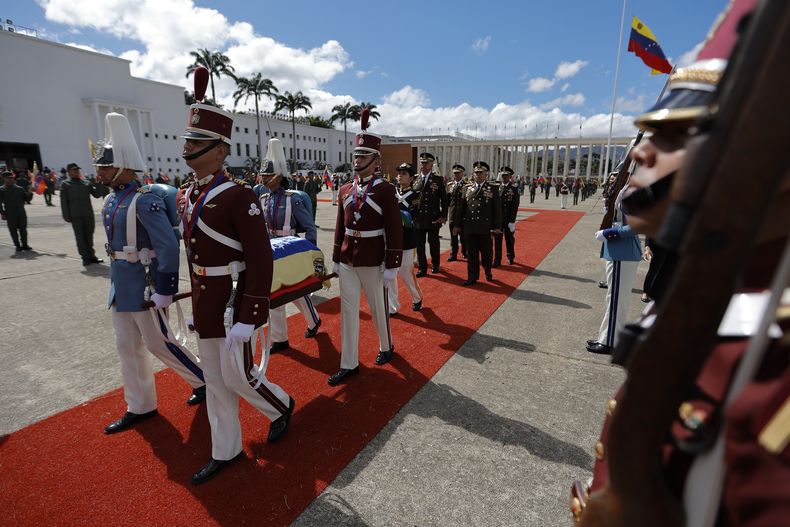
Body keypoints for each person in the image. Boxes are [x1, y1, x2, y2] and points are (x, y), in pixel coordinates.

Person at [179, 87, 295, 484]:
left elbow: (260, 258)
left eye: (196, 142)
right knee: (215, 379)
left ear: (219, 150)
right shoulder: (188, 193)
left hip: (232, 300)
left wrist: (250, 313)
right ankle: (225, 450)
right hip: (205, 300)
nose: (188, 148)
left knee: (237, 376)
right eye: (188, 140)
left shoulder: (239, 195)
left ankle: (281, 405)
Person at [93, 113, 206, 436]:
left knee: (158, 343)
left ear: (124, 166)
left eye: (104, 166)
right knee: (127, 347)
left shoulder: (145, 201)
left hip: (145, 286)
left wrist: (165, 287)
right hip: (122, 286)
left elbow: (168, 246)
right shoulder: (112, 200)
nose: (99, 172)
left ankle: (204, 380)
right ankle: (140, 405)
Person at [329, 109, 402, 386]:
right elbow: (339, 225)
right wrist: (336, 257)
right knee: (348, 312)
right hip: (348, 258)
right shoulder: (345, 189)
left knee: (378, 308)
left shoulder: (385, 190)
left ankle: (386, 345)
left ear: (375, 160)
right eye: (355, 155)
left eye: (363, 156)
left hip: (374, 259)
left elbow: (394, 230)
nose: (357, 160)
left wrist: (392, 266)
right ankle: (349, 363)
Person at [258, 139, 321, 352]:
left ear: (279, 176)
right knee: (275, 293)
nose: (264, 179)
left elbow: (309, 227)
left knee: (299, 291)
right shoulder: (263, 199)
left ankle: (313, 321)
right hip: (271, 252)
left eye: (268, 175)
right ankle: (280, 338)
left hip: (293, 251)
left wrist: (310, 254)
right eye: (263, 175)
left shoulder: (293, 199)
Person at [453, 161, 502, 286]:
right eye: (476, 173)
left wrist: (497, 227)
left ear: (486, 174)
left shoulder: (493, 188)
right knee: (472, 254)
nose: (478, 175)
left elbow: (497, 210)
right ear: (473, 174)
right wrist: (457, 225)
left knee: (486, 253)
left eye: (481, 173)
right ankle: (472, 277)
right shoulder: (467, 188)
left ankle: (487, 270)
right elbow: (461, 209)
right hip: (470, 227)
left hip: (485, 228)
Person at [389, 162, 423, 315]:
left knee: (405, 273)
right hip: (390, 239)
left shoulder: (415, 195)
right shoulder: (391, 192)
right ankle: (393, 306)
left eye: (404, 173)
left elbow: (411, 218)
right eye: (399, 173)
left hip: (407, 240)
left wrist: (396, 211)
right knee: (389, 273)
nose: (400, 176)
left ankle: (416, 297)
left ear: (411, 178)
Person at [60, 163, 105, 265]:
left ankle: (91, 256)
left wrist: (98, 183)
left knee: (89, 236)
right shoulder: (66, 184)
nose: (76, 171)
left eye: (77, 169)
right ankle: (85, 257)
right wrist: (66, 215)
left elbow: (97, 195)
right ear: (69, 172)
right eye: (74, 170)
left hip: (88, 214)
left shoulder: (86, 183)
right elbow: (64, 201)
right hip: (76, 216)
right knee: (80, 237)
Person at [412, 152, 447, 276]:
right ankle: (422, 267)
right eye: (422, 162)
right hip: (418, 219)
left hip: (433, 218)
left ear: (431, 164)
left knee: (433, 243)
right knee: (420, 245)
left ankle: (435, 264)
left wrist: (443, 216)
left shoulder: (437, 179)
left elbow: (444, 199)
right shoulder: (415, 179)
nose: (423, 164)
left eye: (426, 163)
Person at [493, 166, 519, 267]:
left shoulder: (513, 188)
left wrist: (512, 221)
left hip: (508, 219)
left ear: (510, 176)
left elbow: (514, 206)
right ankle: (497, 259)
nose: (504, 177)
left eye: (506, 175)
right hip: (498, 220)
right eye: (503, 175)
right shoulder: (496, 187)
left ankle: (510, 256)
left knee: (509, 239)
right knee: (497, 240)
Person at [0, 171, 33, 252]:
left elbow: (27, 199)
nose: (10, 180)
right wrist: (2, 213)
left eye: (11, 178)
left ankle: (25, 245)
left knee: (23, 230)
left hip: (21, 212)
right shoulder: (1, 189)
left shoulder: (19, 188)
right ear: (3, 178)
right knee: (13, 230)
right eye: (8, 178)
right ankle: (17, 245)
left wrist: (30, 192)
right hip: (10, 213)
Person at [446, 164, 467, 261]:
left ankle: (465, 252)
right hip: (453, 214)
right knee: (453, 236)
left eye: (458, 173)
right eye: (455, 173)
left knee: (463, 236)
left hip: (463, 215)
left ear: (462, 174)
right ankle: (453, 253)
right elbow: (447, 201)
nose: (456, 175)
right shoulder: (450, 185)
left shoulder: (466, 185)